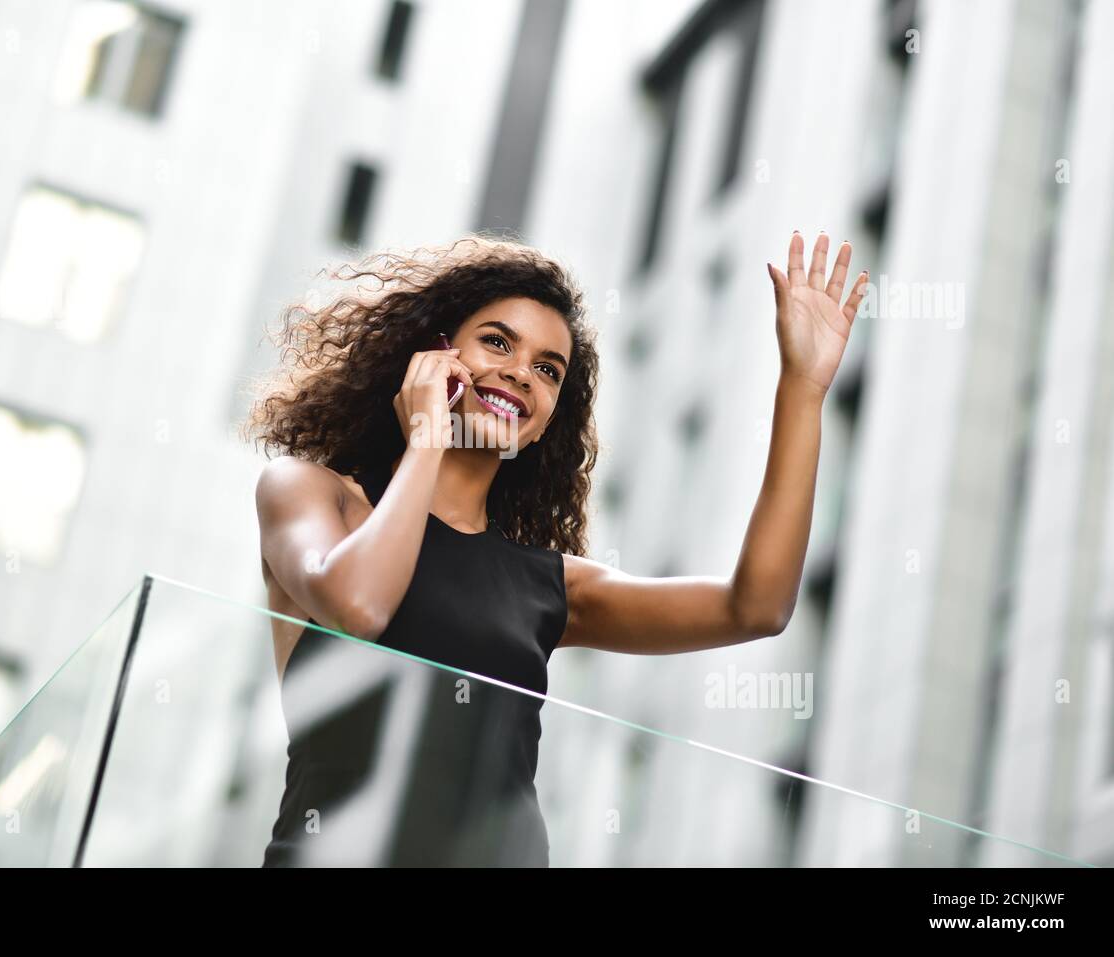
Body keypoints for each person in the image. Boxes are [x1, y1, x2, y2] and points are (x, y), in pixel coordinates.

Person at [241, 232, 867, 866]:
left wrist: (803, 389)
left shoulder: (548, 586)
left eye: (547, 370)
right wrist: (427, 436)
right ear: (432, 355)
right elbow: (359, 607)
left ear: (544, 422)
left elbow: (755, 607)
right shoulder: (315, 495)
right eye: (496, 341)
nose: (519, 372)